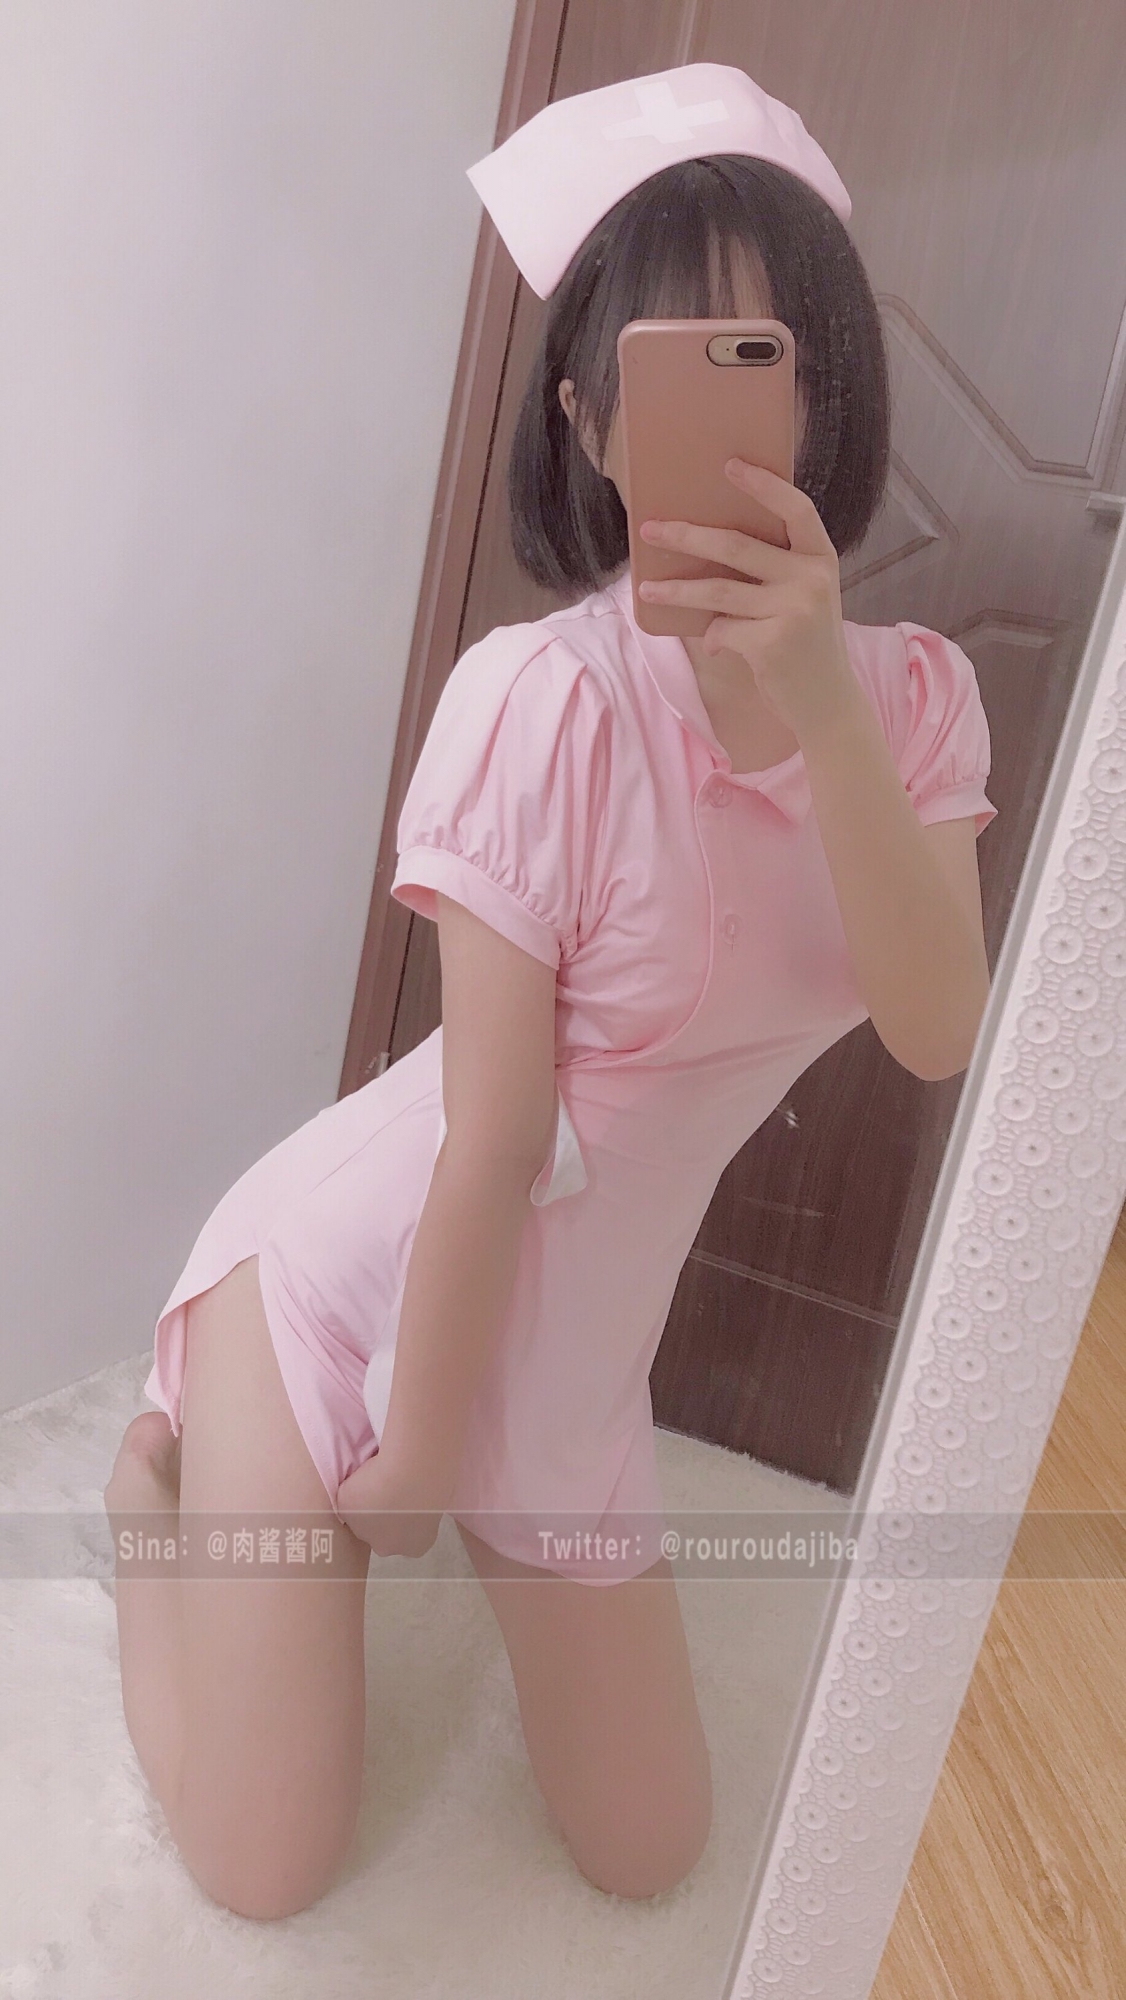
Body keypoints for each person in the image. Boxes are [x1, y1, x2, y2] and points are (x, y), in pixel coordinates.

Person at [104, 64, 995, 1922]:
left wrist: (818, 703)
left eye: (759, 355)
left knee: (648, 1852)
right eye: (656, 373)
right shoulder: (540, 699)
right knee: (265, 1870)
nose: (719, 418)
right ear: (587, 419)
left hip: (572, 1367)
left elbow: (932, 1031)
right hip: (357, 1296)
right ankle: (148, 1515)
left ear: (826, 382)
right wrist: (415, 1446)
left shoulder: (915, 701)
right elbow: (494, 1128)